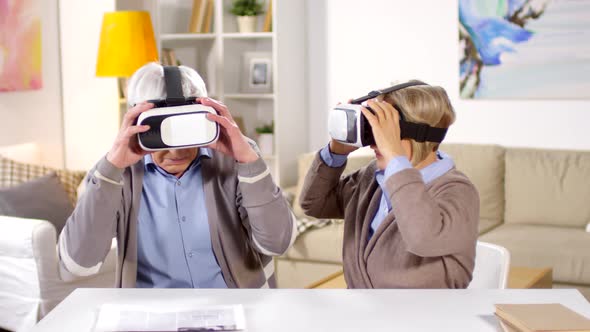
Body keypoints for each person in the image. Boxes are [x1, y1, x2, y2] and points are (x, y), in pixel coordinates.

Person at [58, 63, 296, 288]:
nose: (176, 151)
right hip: (154, 315)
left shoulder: (236, 159)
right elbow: (78, 264)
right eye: (161, 132)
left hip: (235, 308)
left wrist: (249, 163)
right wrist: (111, 170)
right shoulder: (116, 174)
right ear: (138, 123)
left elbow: (278, 243)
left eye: (185, 130)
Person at [299, 81, 480, 288]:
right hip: (365, 313)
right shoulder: (372, 177)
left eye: (384, 132)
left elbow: (422, 237)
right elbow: (313, 204)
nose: (375, 142)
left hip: (425, 316)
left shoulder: (458, 191)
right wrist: (336, 152)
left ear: (417, 135)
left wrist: (395, 158)